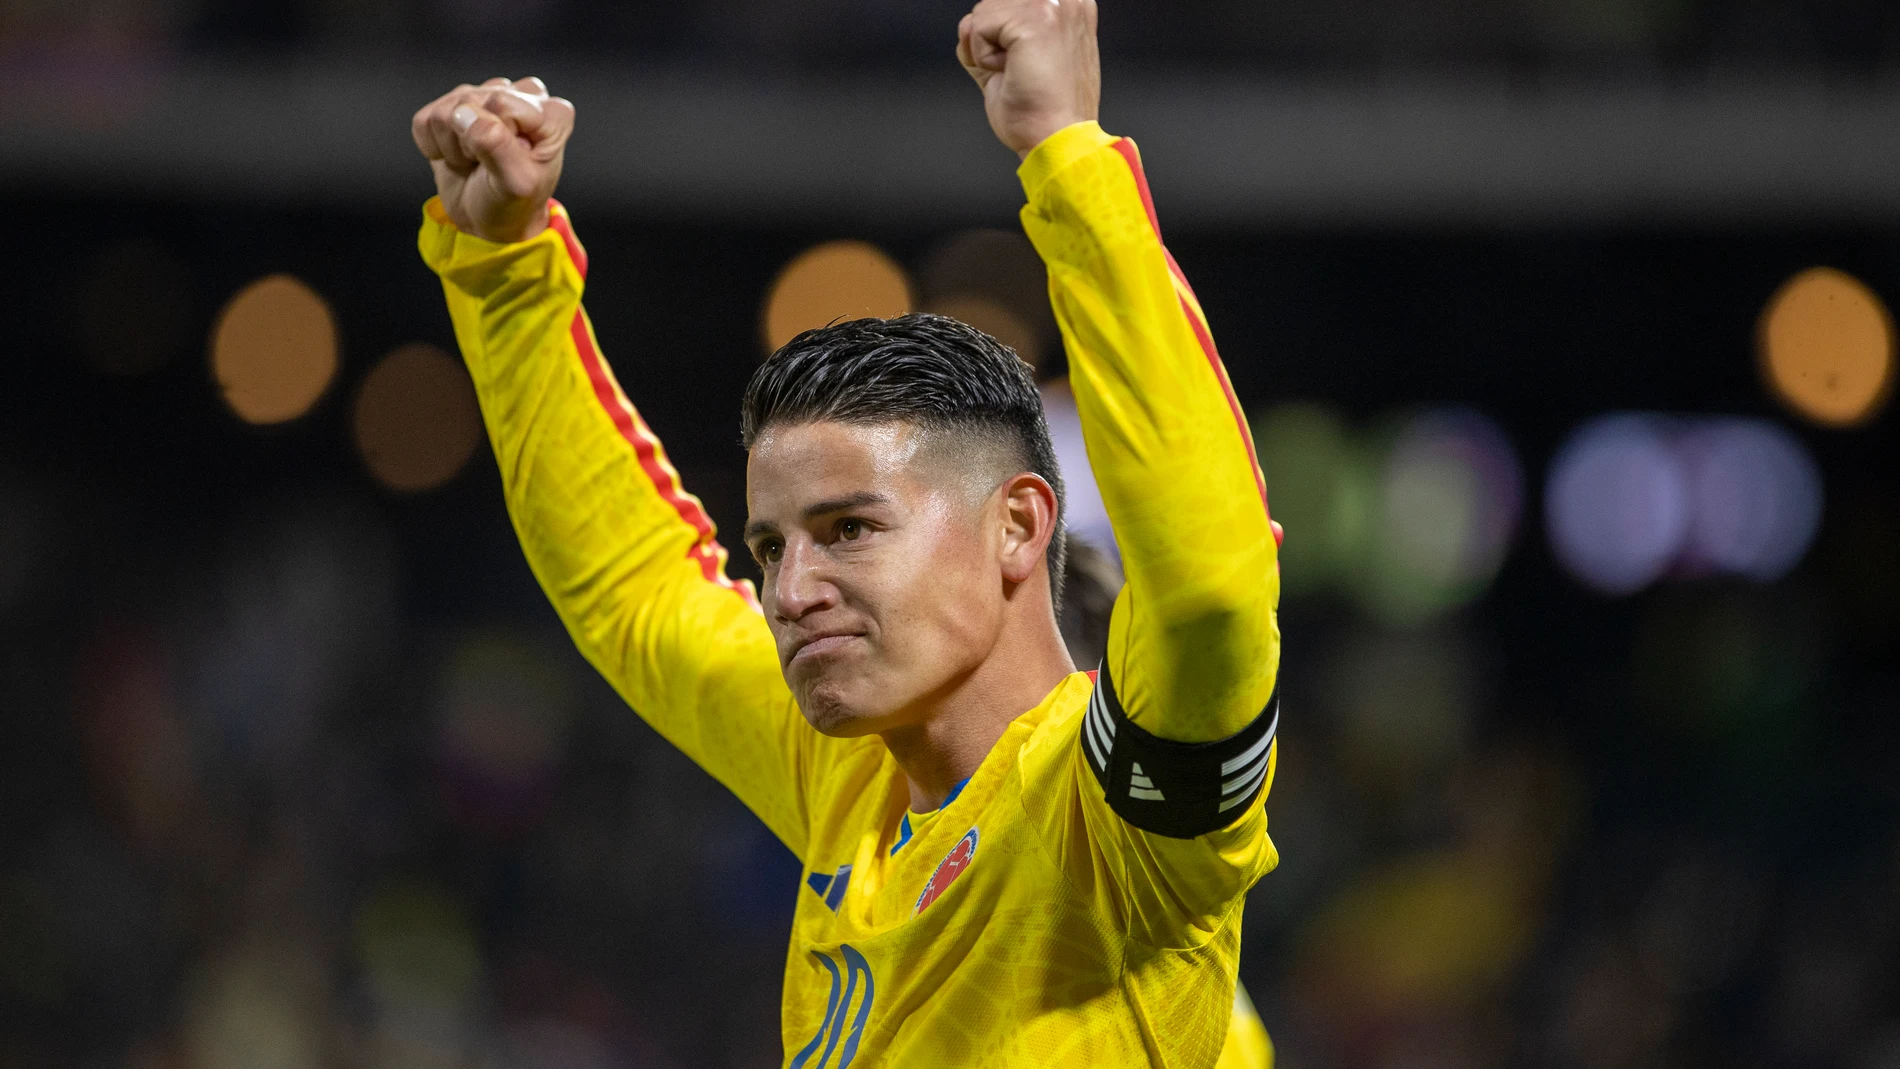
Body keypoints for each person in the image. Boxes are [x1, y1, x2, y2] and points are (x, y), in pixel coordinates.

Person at [410, 0, 1283, 1062]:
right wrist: (503, 271)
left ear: (1017, 525)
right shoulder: (850, 781)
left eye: (850, 528)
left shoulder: (1119, 824)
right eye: (774, 545)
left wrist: (1068, 156)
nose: (789, 589)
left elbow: (1208, 595)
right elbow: (641, 594)